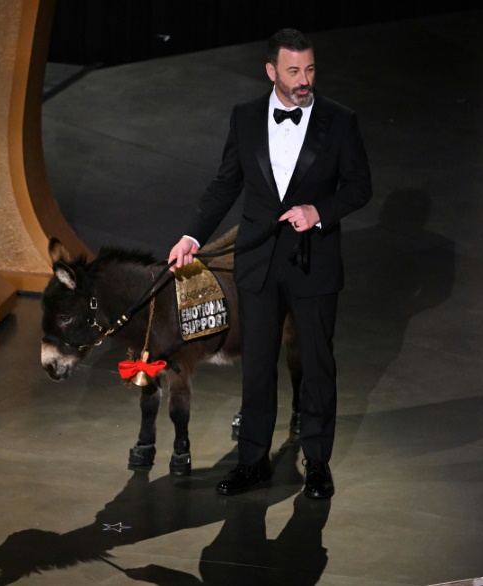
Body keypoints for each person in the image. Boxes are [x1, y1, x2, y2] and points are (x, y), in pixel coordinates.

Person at [169, 28, 372, 498]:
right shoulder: (244, 117)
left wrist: (318, 211)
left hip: (313, 261)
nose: (304, 80)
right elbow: (226, 184)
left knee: (317, 365)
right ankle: (253, 462)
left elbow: (359, 187)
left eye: (310, 69)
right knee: (257, 365)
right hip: (257, 260)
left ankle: (317, 463)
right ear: (271, 71)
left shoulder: (340, 120)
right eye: (294, 71)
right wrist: (191, 236)